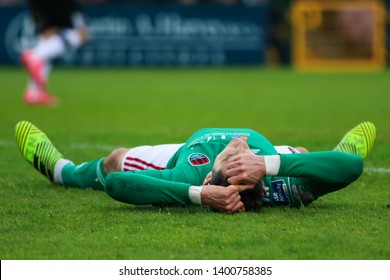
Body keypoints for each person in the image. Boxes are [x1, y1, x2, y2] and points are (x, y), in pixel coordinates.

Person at [15, 121, 376, 213]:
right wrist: (264, 163)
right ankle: (324, 149)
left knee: (114, 159)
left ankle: (61, 170)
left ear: (209, 176)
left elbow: (117, 184)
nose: (241, 144)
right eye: (242, 157)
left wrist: (198, 194)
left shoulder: (189, 175)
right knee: (302, 153)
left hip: (186, 153)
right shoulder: (275, 180)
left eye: (236, 155)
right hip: (268, 165)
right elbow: (351, 165)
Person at [20, 0, 89, 106]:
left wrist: (44, 26)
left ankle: (33, 93)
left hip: (48, 24)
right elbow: (71, 8)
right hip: (59, 25)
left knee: (43, 61)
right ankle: (33, 56)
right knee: (77, 38)